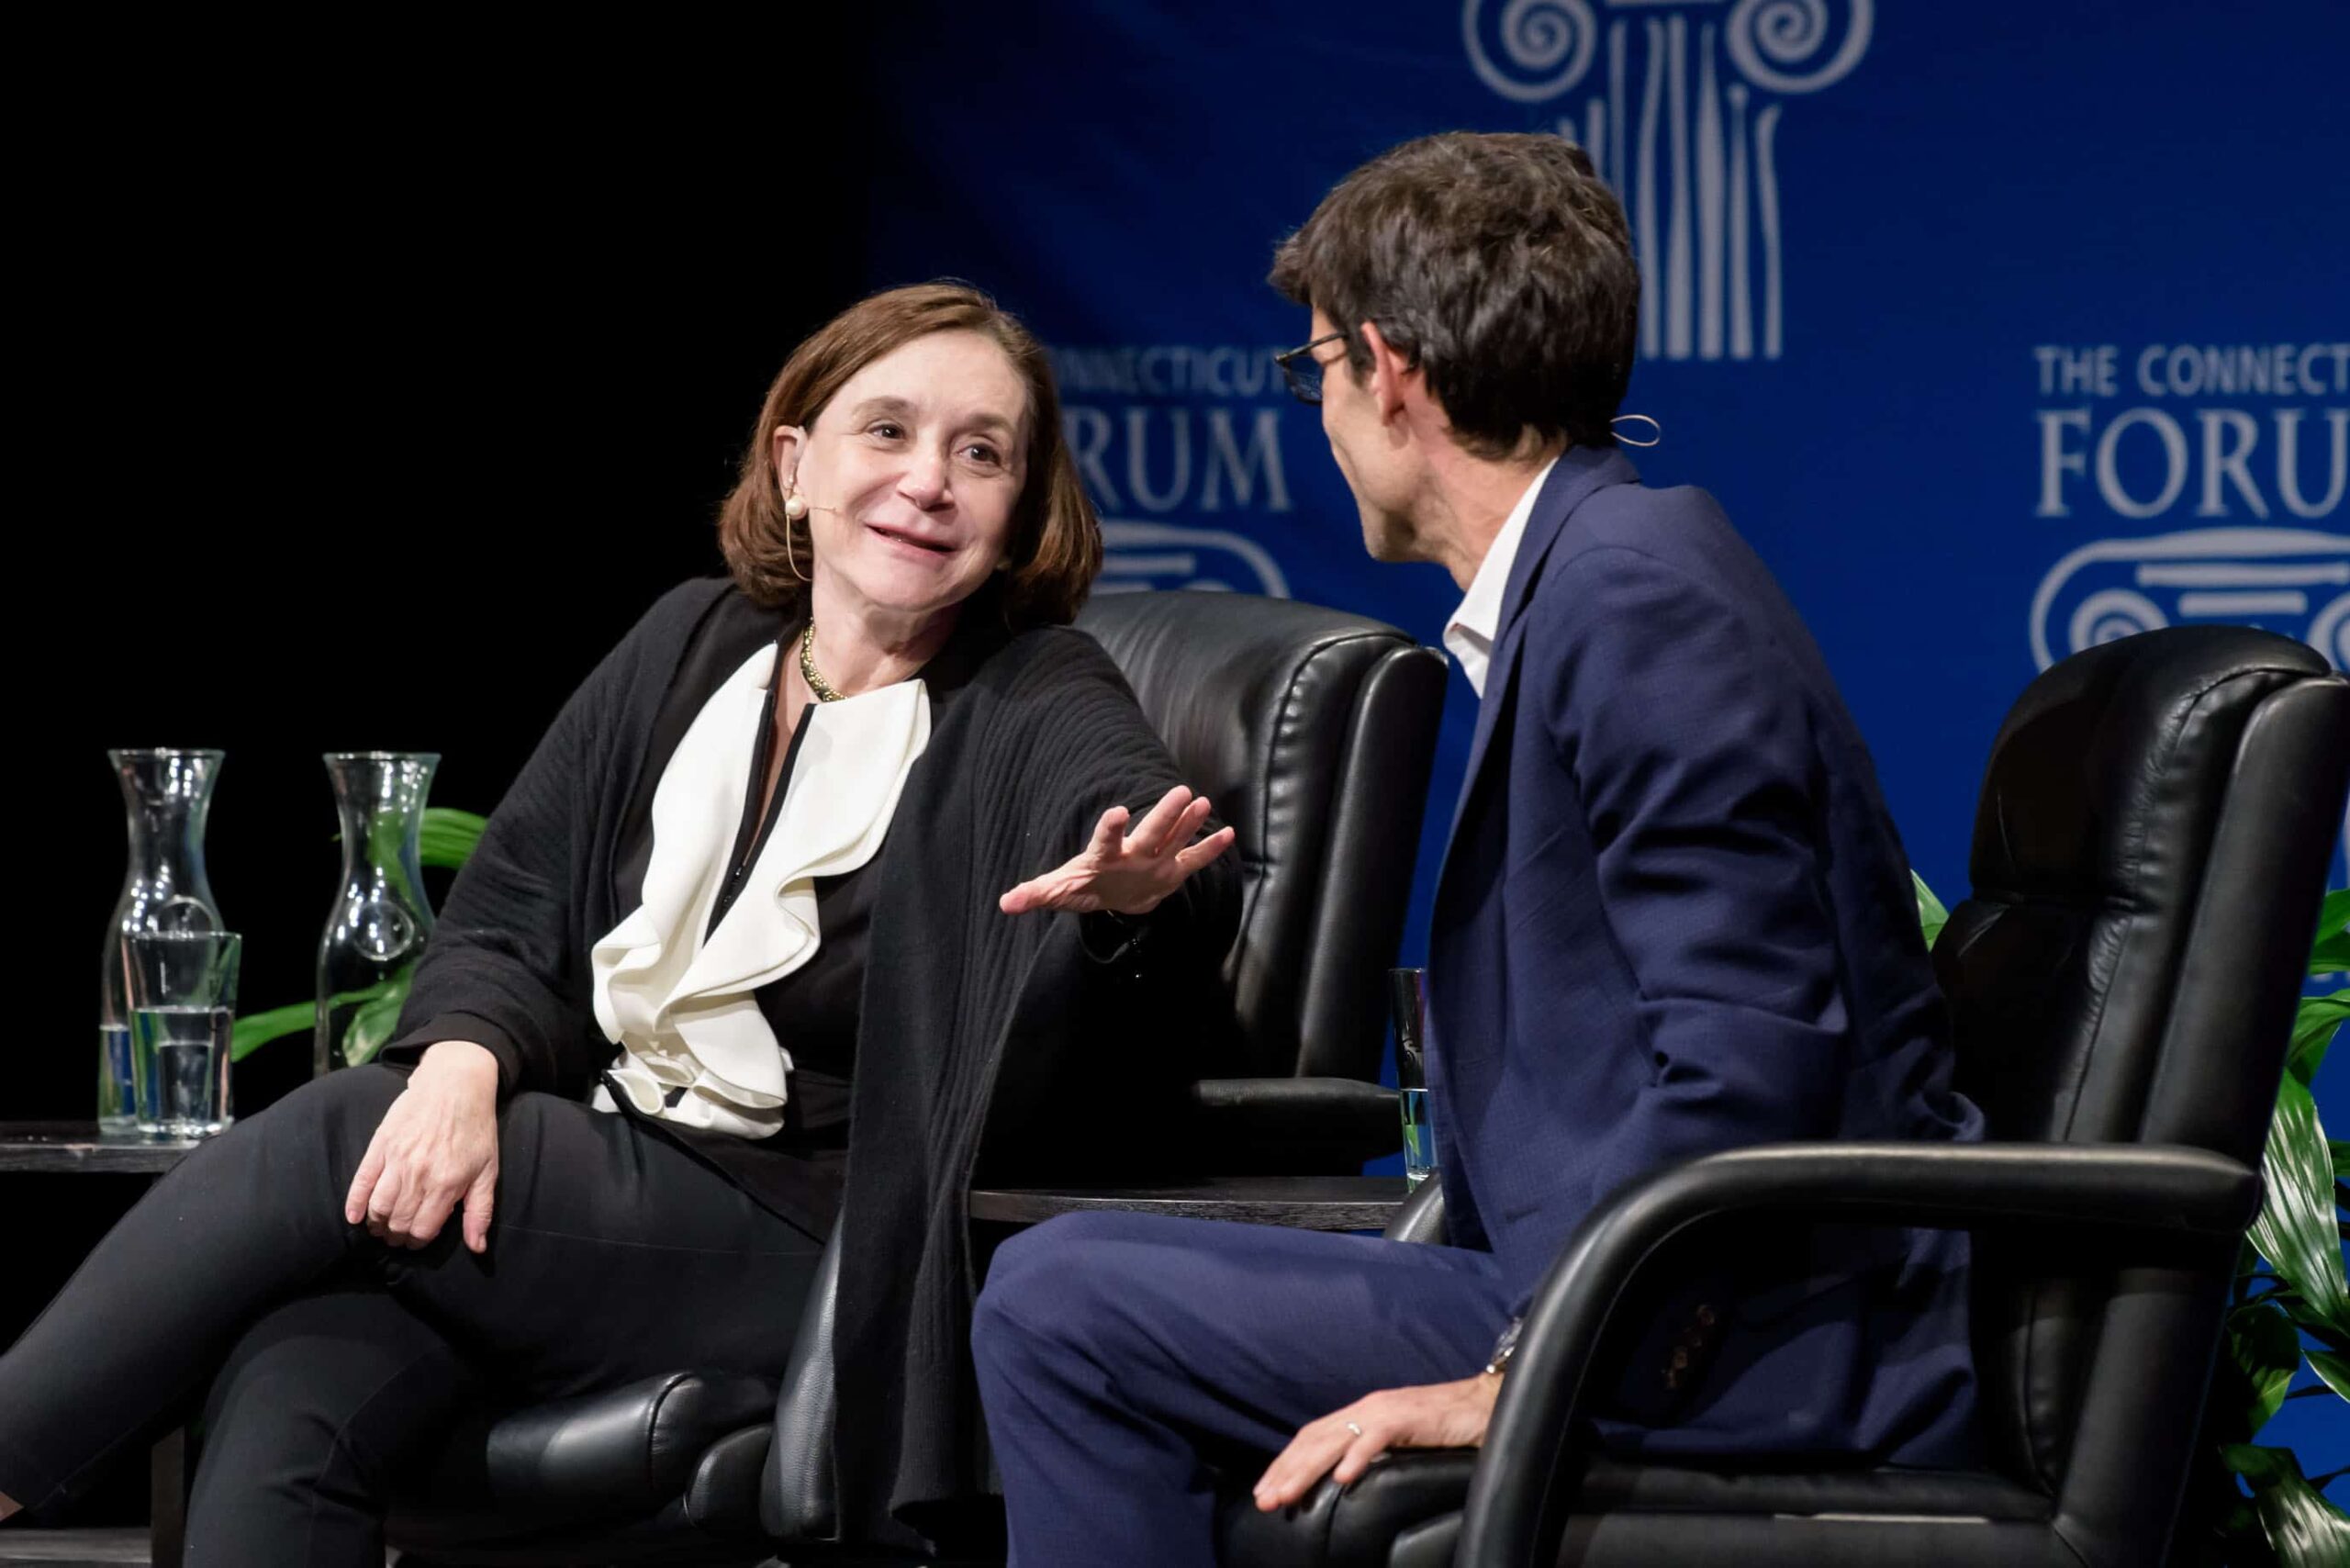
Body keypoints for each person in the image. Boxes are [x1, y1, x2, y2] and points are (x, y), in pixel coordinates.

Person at [0, 282, 1238, 1562]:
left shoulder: (1033, 689)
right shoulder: (690, 644)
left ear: (1018, 507)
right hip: (605, 1189)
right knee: (293, 1379)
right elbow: (517, 905)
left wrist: (1132, 899)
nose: (930, 480)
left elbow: (1146, 830)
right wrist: (467, 1063)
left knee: (336, 1141)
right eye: (888, 432)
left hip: (816, 1245)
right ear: (795, 463)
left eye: (981, 453)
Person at [971, 131, 1984, 1567]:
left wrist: (1516, 1378)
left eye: (1314, 365)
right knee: (1077, 1285)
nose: (1316, 410)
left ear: (1390, 371)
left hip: (1749, 1339)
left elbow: (1752, 1070)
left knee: (1060, 1308)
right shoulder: (1599, 578)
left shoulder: (1632, 602)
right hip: (1607, 1281)